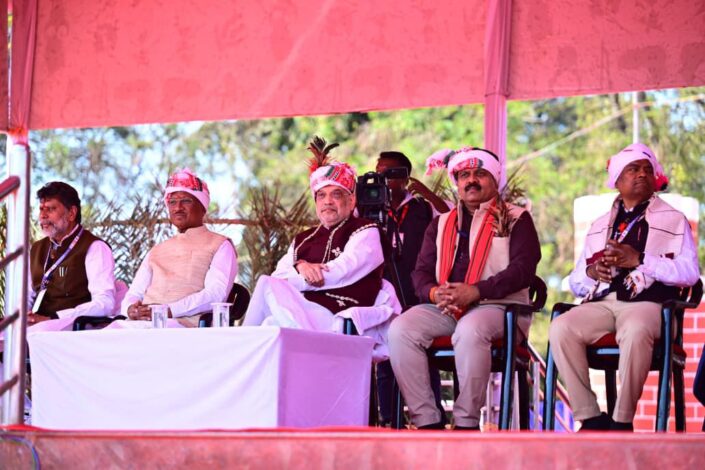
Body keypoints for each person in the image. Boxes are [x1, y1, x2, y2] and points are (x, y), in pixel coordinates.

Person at [549, 143, 700, 431]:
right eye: (633, 169)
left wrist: (640, 260)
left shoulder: (674, 220)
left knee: (635, 329)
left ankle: (622, 420)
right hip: (604, 303)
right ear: (617, 180)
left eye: (647, 169)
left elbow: (690, 274)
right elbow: (577, 281)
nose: (642, 174)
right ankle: (590, 417)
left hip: (651, 304)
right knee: (561, 327)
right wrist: (593, 272)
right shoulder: (599, 225)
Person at [388, 146, 541, 430]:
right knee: (400, 329)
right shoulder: (441, 223)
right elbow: (420, 273)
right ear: (457, 182)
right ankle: (427, 423)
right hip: (448, 307)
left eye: (480, 173)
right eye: (464, 175)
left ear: (494, 179)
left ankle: (465, 424)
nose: (471, 180)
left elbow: (523, 270)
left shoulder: (517, 217)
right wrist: (434, 293)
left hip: (500, 308)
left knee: (470, 329)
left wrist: (476, 291)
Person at [243, 137, 401, 359]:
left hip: (340, 313)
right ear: (316, 202)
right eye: (322, 195)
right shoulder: (303, 239)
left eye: (336, 194)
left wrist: (303, 278)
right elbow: (280, 275)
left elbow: (342, 271)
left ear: (351, 201)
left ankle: (242, 350)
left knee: (267, 290)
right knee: (269, 324)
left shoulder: (366, 230)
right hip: (304, 310)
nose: (328, 201)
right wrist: (301, 267)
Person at [374, 151, 450, 426]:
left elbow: (454, 217)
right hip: (383, 290)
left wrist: (428, 194)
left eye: (390, 173)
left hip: (418, 289)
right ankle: (388, 419)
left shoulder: (421, 206)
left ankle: (433, 418)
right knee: (385, 355)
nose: (383, 179)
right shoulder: (370, 208)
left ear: (406, 176)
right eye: (378, 173)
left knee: (424, 353)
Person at [116, 168, 238, 328]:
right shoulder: (156, 250)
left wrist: (168, 311)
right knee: (100, 338)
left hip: (181, 327)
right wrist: (131, 309)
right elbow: (134, 293)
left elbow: (215, 295)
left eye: (186, 201)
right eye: (172, 202)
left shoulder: (220, 245)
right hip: (140, 325)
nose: (177, 208)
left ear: (203, 207)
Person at [26, 182, 116, 332]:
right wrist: (24, 316)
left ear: (71, 213)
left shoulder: (95, 247)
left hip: (70, 329)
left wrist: (55, 318)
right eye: (41, 209)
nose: (43, 216)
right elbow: (26, 296)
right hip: (35, 327)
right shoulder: (36, 248)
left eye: (51, 209)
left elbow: (105, 302)